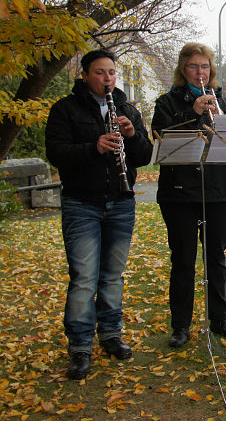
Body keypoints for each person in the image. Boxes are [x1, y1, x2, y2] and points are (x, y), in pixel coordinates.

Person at [46, 49, 153, 380]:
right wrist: (94, 146)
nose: (107, 79)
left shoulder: (127, 110)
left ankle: (111, 335)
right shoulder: (65, 109)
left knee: (112, 275)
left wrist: (133, 135)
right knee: (83, 279)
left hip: (121, 202)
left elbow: (146, 156)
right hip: (82, 203)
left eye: (111, 72)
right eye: (99, 72)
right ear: (85, 75)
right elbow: (56, 154)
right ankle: (79, 346)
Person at [152, 42, 226, 348]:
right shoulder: (167, 102)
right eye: (193, 66)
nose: (199, 72)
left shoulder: (223, 101)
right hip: (179, 193)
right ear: (182, 69)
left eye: (204, 66)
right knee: (183, 259)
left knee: (216, 256)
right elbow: (161, 134)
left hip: (217, 189)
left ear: (211, 70)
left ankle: (221, 319)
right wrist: (191, 113)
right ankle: (180, 325)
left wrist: (221, 114)